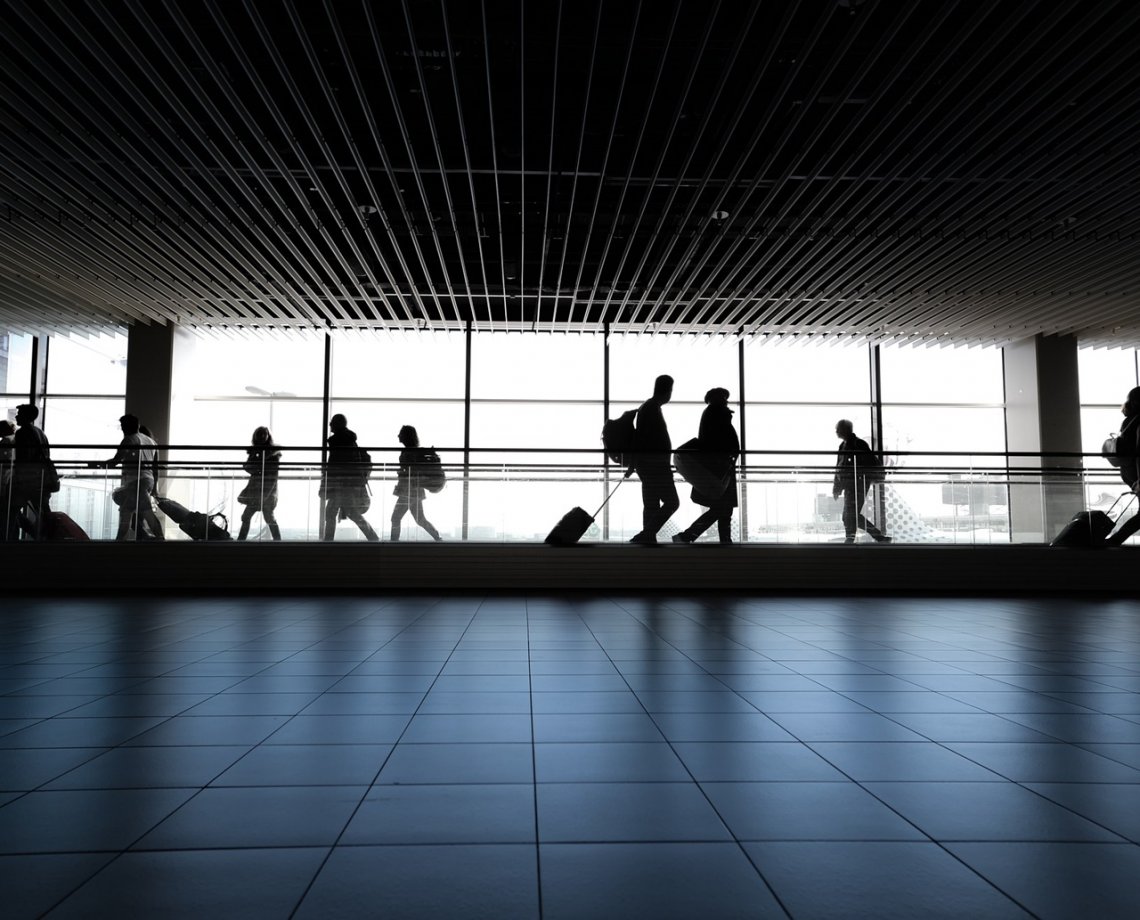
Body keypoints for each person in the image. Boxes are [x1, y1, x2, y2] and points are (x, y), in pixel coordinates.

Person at [673, 387, 740, 544]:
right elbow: (721, 440)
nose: (726, 401)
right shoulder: (717, 413)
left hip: (718, 467)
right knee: (723, 508)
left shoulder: (712, 412)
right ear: (717, 398)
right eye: (724, 397)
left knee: (723, 508)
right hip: (720, 467)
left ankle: (695, 537)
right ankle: (689, 536)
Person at [92, 414, 164, 541]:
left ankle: (160, 540)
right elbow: (155, 468)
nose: (122, 429)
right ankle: (122, 542)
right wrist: (154, 488)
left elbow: (116, 461)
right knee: (127, 513)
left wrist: (98, 464)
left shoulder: (129, 440)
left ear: (127, 426)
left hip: (136, 482)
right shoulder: (151, 442)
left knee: (142, 513)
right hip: (147, 481)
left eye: (123, 426)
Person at [627, 374, 680, 544]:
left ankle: (647, 537)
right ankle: (647, 534)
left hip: (648, 465)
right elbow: (641, 439)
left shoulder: (649, 407)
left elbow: (639, 439)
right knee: (672, 502)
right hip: (655, 465)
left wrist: (633, 464)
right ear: (667, 390)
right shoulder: (651, 409)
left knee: (651, 505)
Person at [321, 413, 379, 541]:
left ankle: (328, 541)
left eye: (332, 422)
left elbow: (333, 466)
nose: (330, 424)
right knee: (351, 513)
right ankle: (373, 538)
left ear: (336, 424)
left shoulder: (337, 442)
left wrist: (325, 485)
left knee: (332, 513)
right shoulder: (350, 441)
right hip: (350, 484)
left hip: (340, 485)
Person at [832, 418, 890, 544]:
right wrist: (836, 487)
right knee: (850, 515)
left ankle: (851, 538)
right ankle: (876, 537)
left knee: (850, 514)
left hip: (858, 484)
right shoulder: (843, 446)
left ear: (845, 430)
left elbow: (865, 464)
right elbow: (839, 467)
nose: (836, 431)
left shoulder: (858, 444)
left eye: (838, 429)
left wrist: (838, 486)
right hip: (850, 484)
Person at [8, 404, 54, 540]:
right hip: (41, 479)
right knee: (44, 511)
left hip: (26, 480)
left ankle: (13, 539)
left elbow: (23, 458)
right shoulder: (40, 432)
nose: (16, 416)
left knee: (11, 511)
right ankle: (48, 537)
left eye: (19, 413)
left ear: (26, 416)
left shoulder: (22, 433)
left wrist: (17, 477)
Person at [390, 425, 442, 542]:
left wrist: (402, 472)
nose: (398, 436)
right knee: (420, 519)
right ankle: (437, 537)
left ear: (406, 436)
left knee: (396, 518)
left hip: (408, 490)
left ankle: (393, 543)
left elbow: (409, 470)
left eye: (401, 434)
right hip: (415, 489)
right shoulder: (416, 451)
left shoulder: (409, 452)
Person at [1106, 385, 1140, 547]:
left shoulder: (1129, 421)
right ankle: (1115, 540)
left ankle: (1115, 540)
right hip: (1138, 474)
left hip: (1129, 472)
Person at [237, 426, 282, 541]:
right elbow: (248, 467)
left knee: (258, 517)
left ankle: (241, 541)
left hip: (264, 489)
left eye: (263, 434)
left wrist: (256, 469)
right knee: (267, 517)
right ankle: (278, 541)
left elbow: (271, 475)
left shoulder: (268, 454)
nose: (261, 436)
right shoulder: (270, 453)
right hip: (263, 490)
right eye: (260, 434)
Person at [0, 419, 15, 536]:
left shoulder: (5, 441)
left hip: (4, 477)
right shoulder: (14, 439)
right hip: (11, 476)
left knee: (4, 507)